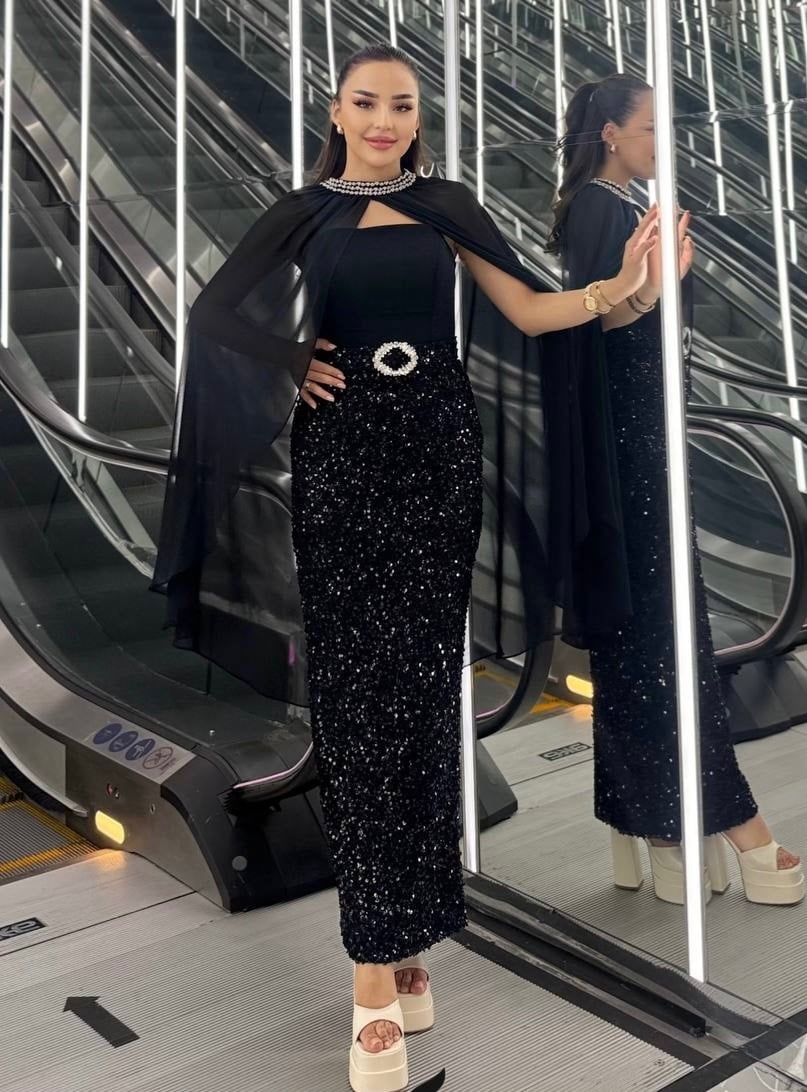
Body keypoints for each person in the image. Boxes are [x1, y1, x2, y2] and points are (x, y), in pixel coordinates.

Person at [151, 45, 658, 1092]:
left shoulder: (445, 204)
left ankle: (408, 931)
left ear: (418, 117)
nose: (384, 119)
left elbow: (528, 310)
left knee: (424, 700)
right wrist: (292, 361)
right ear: (337, 112)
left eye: (402, 104)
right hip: (343, 461)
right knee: (356, 703)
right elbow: (213, 315)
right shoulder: (304, 212)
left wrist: (618, 288)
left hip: (436, 453)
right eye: (366, 103)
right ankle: (373, 973)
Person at [547, 73, 803, 910]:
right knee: (663, 640)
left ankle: (649, 824)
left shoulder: (618, 207)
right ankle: (727, 824)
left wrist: (656, 289)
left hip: (645, 443)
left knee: (645, 638)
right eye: (653, 127)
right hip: (631, 450)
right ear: (611, 134)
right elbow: (596, 322)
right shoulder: (600, 210)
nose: (667, 141)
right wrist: (651, 289)